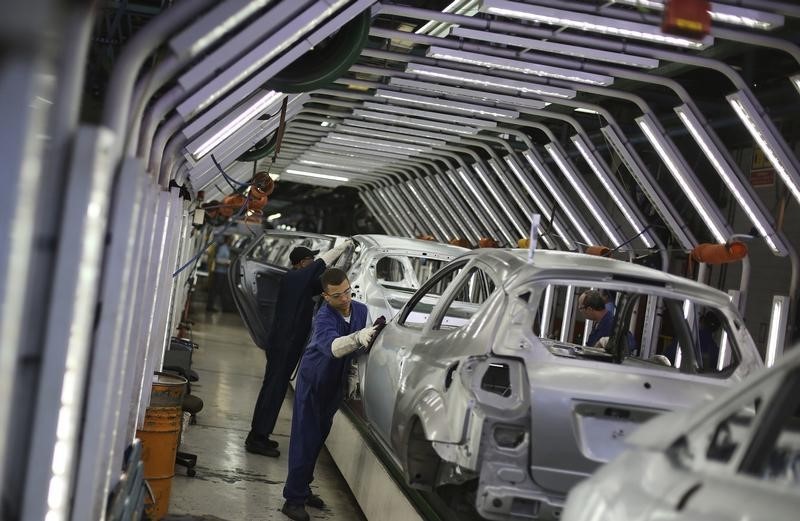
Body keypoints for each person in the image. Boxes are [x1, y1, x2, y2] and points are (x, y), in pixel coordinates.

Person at [281, 268, 378, 521]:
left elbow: (359, 349)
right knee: (305, 439)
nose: (345, 299)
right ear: (326, 296)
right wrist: (358, 337)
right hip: (314, 381)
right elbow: (335, 348)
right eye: (337, 296)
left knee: (318, 438)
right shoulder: (324, 317)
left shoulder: (361, 310)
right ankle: (292, 500)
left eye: (347, 291)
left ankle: (303, 488)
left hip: (334, 383)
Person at [245, 240, 351, 457]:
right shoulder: (293, 278)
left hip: (287, 344)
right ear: (302, 263)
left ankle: (260, 435)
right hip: (284, 344)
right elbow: (318, 267)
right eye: (310, 261)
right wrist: (336, 250)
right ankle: (257, 438)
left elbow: (323, 282)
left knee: (276, 388)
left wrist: (343, 263)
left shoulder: (302, 282)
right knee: (273, 389)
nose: (312, 264)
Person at [206, 235, 232, 312]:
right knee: (215, 290)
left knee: (222, 290)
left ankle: (225, 308)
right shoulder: (223, 248)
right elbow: (218, 260)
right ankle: (209, 307)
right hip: (219, 272)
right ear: (227, 240)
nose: (232, 241)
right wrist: (227, 263)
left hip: (223, 272)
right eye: (231, 240)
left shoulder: (226, 248)